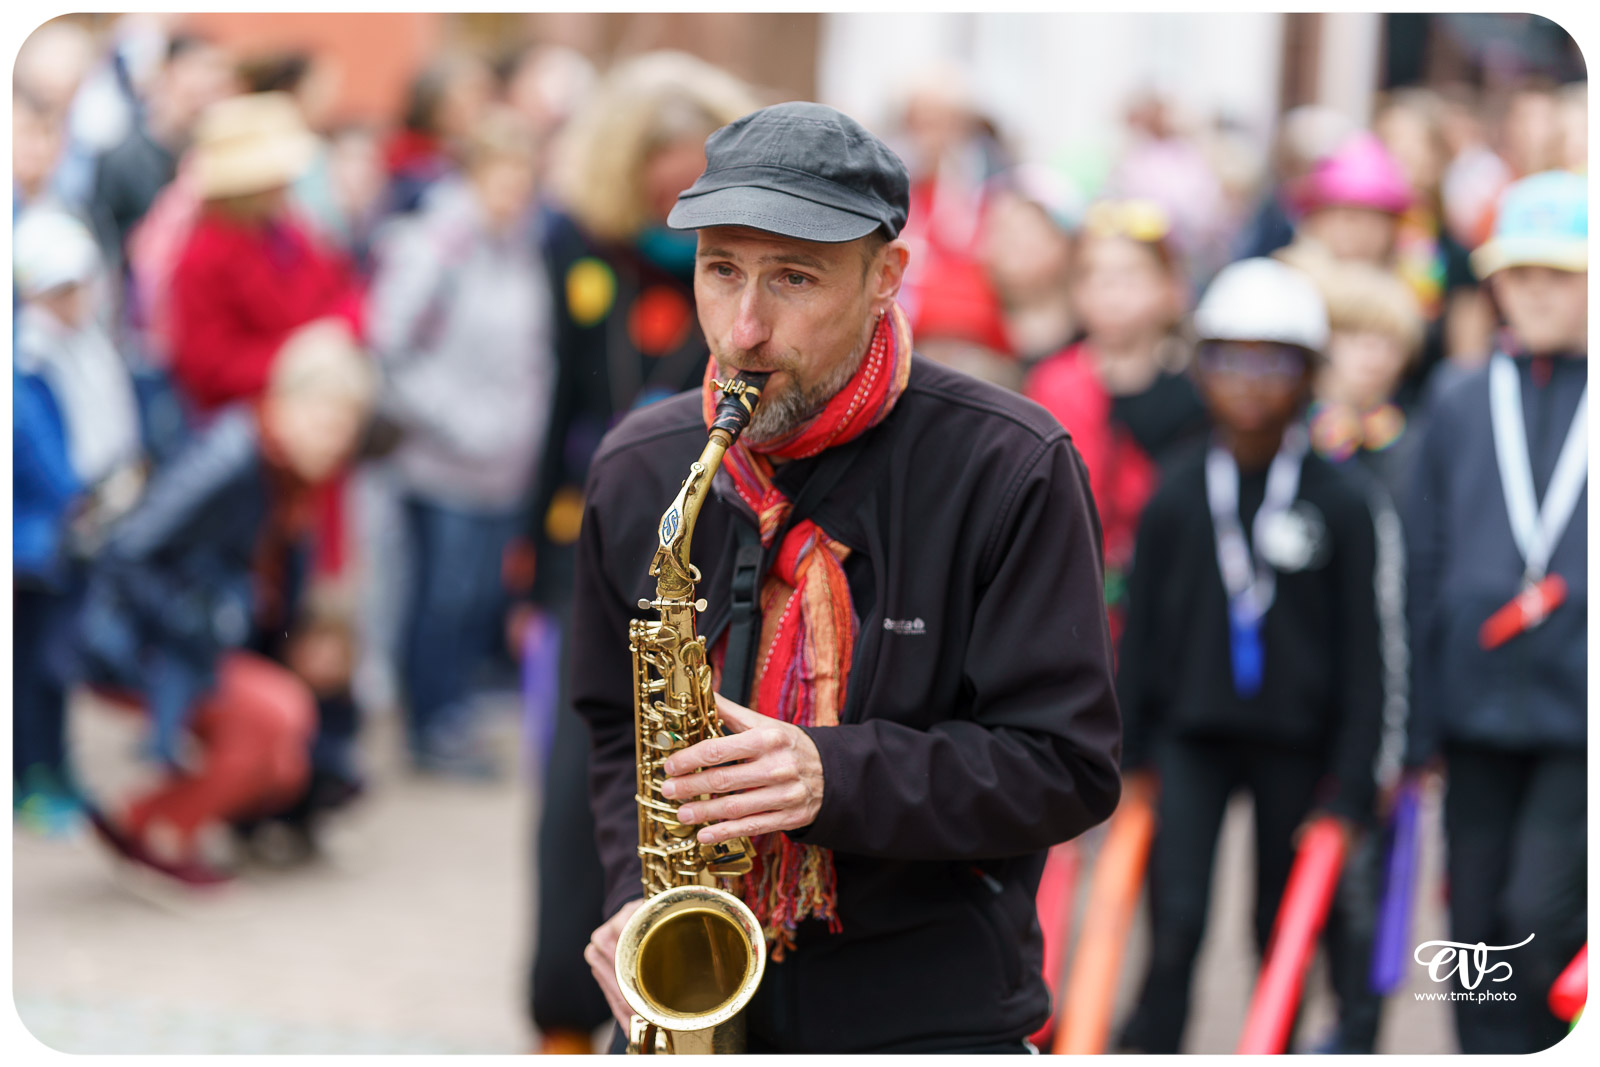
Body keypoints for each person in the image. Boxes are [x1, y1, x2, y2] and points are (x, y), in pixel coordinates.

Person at [575, 100, 1122, 1054]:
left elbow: (1066, 769)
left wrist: (833, 774)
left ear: (886, 277)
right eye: (721, 271)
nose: (744, 329)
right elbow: (615, 727)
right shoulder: (639, 465)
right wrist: (636, 895)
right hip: (700, 997)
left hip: (924, 1007)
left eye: (793, 277)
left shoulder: (1012, 464)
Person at [524, 51, 758, 1054]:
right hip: (599, 538)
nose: (674, 187)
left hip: (715, 545)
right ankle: (565, 1015)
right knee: (576, 793)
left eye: (690, 167)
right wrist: (524, 554)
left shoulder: (743, 271)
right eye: (658, 168)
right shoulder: (580, 255)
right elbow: (553, 411)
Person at [1113, 258, 1385, 1054]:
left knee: (1283, 929)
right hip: (1190, 740)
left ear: (1308, 374)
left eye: (1275, 362)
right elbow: (1144, 633)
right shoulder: (1176, 489)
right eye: (1230, 358)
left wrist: (1354, 783)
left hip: (1298, 748)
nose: (1251, 383)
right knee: (1176, 921)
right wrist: (1127, 755)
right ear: (1201, 367)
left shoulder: (1343, 499)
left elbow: (1368, 651)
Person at [72, 321, 376, 887]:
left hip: (202, 641)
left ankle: (172, 821)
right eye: (326, 419)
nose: (334, 441)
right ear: (286, 400)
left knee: (289, 757)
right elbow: (127, 551)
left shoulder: (287, 477)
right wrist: (193, 617)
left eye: (346, 429)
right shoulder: (230, 457)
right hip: (148, 644)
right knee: (280, 714)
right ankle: (148, 827)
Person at [1402, 170, 1586, 1055]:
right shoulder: (1460, 397)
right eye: (1520, 273)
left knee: (1537, 913)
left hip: (1578, 721)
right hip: (1473, 708)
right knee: (1475, 933)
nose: (1538, 292)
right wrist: (1418, 717)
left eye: (1563, 273)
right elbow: (1423, 555)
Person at [368, 108, 555, 776]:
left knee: (476, 597)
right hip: (440, 462)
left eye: (522, 181)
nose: (512, 194)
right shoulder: (435, 246)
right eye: (501, 180)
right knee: (439, 599)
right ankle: (429, 725)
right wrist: (459, 421)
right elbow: (389, 347)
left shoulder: (526, 248)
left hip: (504, 465)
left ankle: (452, 716)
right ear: (473, 177)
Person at [12, 208, 146, 835]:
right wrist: (82, 494)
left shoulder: (86, 346)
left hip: (83, 532)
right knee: (33, 666)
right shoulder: (26, 361)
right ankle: (29, 777)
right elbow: (42, 460)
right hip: (38, 545)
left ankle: (56, 768)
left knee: (58, 665)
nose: (80, 298)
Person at [1024, 198, 1206, 642]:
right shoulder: (1052, 383)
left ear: (1172, 289)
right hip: (1075, 600)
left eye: (1129, 277)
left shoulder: (1197, 391)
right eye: (1096, 277)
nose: (1112, 292)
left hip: (1171, 598)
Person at [167, 91, 363, 417]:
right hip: (252, 417)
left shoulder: (287, 229)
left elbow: (344, 290)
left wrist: (332, 338)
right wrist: (298, 358)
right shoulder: (203, 257)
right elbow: (209, 368)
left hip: (315, 402)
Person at [86, 33, 233, 271]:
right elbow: (110, 246)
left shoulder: (217, 154)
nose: (206, 86)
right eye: (196, 73)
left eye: (215, 81)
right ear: (166, 74)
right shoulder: (122, 158)